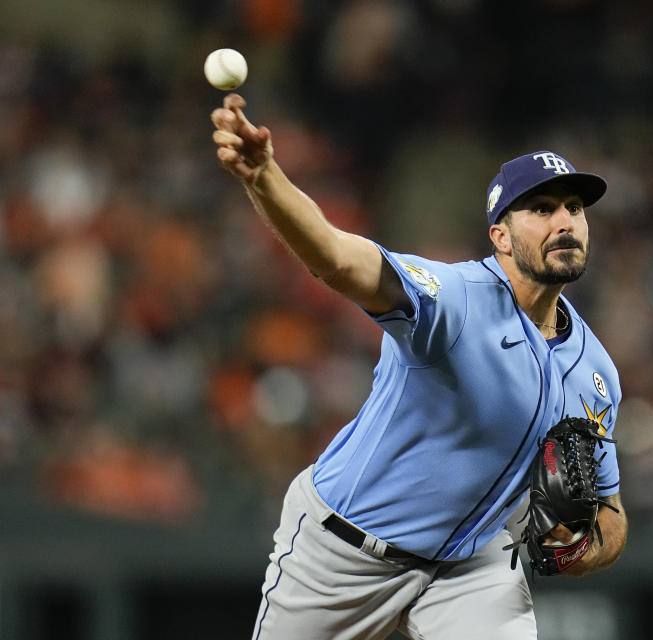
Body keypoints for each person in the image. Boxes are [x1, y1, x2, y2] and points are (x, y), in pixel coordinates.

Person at [210, 93, 628, 640]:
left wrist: (580, 550)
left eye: (574, 207)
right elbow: (337, 259)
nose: (565, 221)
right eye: (542, 209)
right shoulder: (455, 300)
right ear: (499, 236)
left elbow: (610, 514)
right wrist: (264, 176)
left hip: (469, 565)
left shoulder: (596, 371)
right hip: (344, 553)